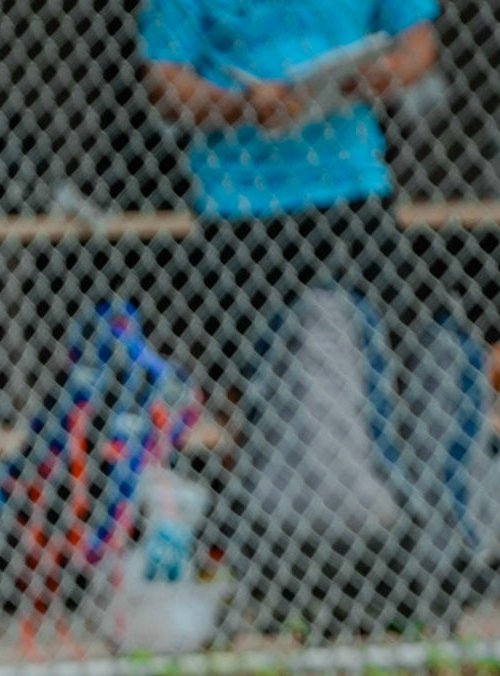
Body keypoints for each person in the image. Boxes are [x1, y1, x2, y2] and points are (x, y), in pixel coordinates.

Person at [140, 0, 442, 406]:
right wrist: (241, 107)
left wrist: (386, 74)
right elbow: (164, 80)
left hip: (351, 185)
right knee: (246, 382)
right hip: (239, 199)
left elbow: (419, 41)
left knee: (375, 364)